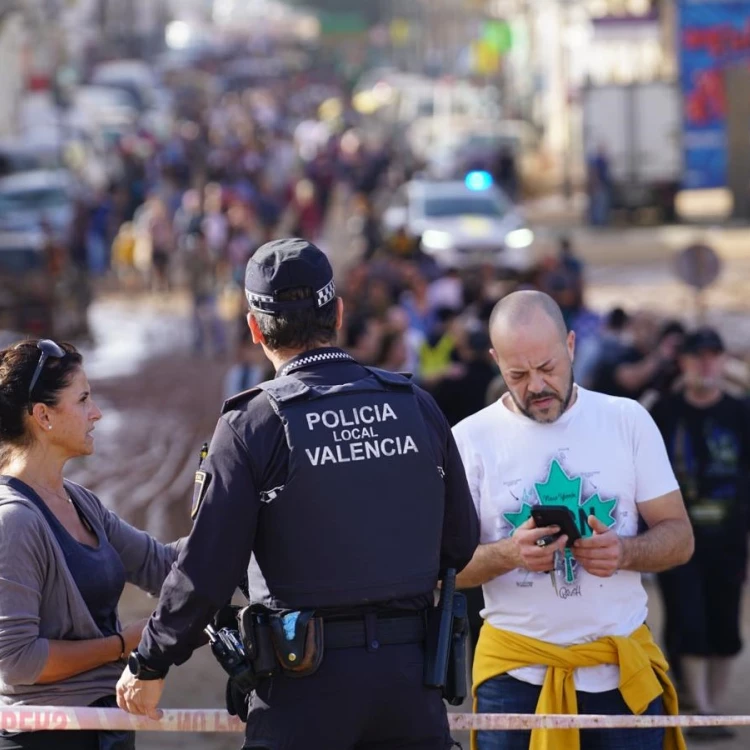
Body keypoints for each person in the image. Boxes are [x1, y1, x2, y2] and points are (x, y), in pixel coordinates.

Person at [116, 238, 480, 750]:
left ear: (254, 327)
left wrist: (150, 660)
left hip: (303, 688)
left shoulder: (253, 423)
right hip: (410, 688)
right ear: (338, 312)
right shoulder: (415, 405)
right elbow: (460, 544)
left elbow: (207, 568)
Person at [452, 290, 693, 750]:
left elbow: (679, 538)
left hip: (621, 673)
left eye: (548, 368)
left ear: (571, 345)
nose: (537, 386)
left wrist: (625, 552)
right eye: (518, 374)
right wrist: (508, 554)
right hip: (514, 679)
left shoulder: (627, 420)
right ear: (495, 361)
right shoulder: (468, 440)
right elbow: (441, 572)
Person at [0, 339, 184, 750]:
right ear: (43, 415)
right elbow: (18, 662)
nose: (96, 413)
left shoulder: (82, 502)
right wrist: (127, 643)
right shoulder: (13, 521)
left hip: (105, 729)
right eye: (83, 399)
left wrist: (239, 532)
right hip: (47, 738)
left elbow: (162, 565)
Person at [651, 328, 750, 740]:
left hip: (729, 541)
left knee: (725, 625)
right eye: (697, 356)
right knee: (688, 621)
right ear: (684, 362)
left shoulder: (742, 412)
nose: (706, 364)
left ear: (724, 360)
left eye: (713, 355)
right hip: (677, 541)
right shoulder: (664, 412)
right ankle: (702, 708)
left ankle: (712, 704)